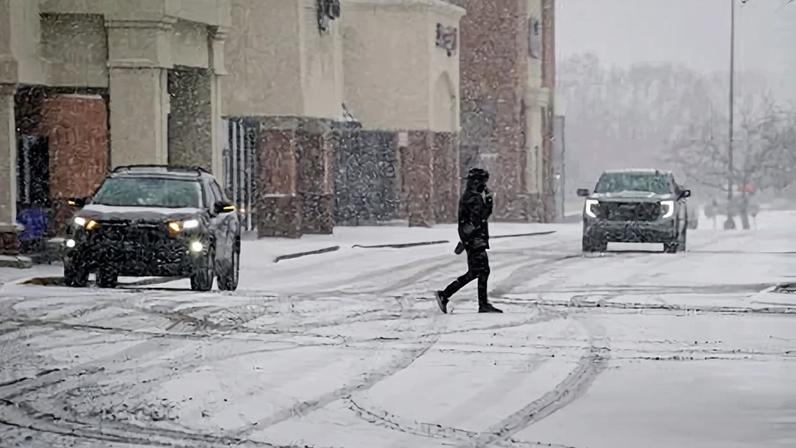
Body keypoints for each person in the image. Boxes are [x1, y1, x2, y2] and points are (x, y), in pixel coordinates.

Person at [434, 168, 503, 314]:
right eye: (484, 182)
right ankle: (445, 294)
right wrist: (489, 198)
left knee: (479, 271)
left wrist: (464, 240)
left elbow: (472, 220)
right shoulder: (473, 198)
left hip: (472, 239)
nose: (485, 185)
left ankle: (480, 303)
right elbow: (481, 216)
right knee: (479, 271)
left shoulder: (470, 196)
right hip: (475, 240)